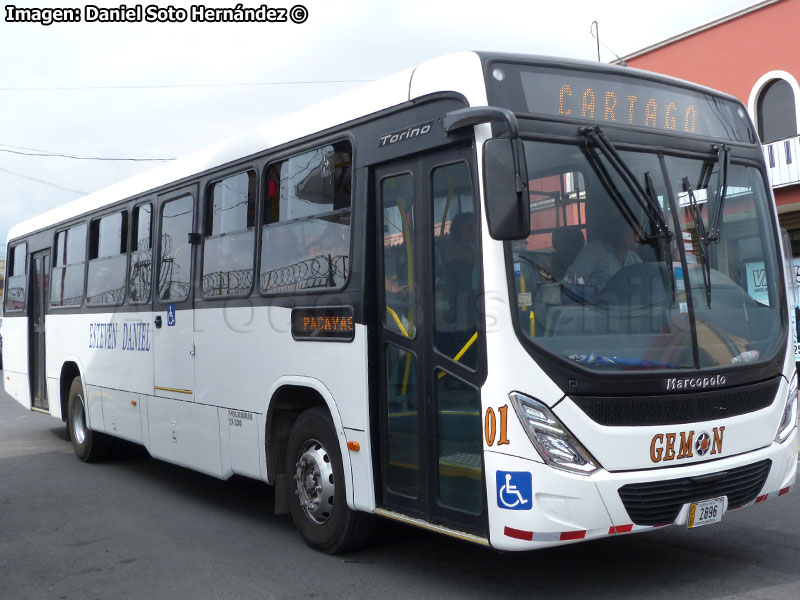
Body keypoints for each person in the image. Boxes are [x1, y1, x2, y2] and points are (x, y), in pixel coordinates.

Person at [564, 218, 642, 291]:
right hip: (597, 304)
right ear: (625, 235)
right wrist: (590, 297)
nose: (641, 237)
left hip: (632, 305)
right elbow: (570, 283)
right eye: (637, 233)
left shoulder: (633, 257)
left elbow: (644, 282)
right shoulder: (594, 252)